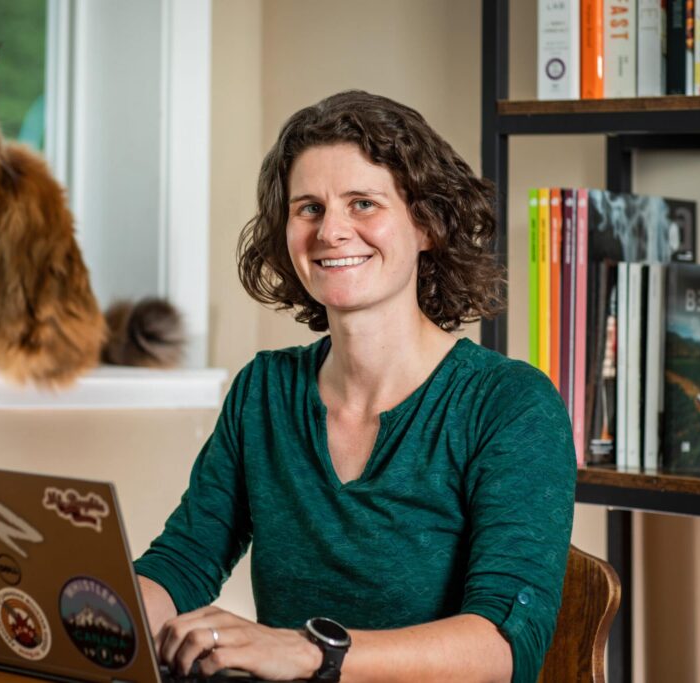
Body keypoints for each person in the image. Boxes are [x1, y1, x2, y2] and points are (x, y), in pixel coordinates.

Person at [133, 90, 576, 683]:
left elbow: (503, 647)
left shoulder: (511, 405)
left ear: (427, 225)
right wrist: (96, 614)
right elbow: (184, 562)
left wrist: (311, 652)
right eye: (308, 208)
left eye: (363, 203)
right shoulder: (264, 390)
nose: (331, 231)